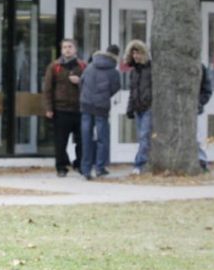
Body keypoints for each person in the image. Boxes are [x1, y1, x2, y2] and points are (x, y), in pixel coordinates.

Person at [42, 39, 86, 177]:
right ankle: (61, 167)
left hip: (79, 109)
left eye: (70, 47)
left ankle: (80, 164)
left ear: (75, 49)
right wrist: (48, 108)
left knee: (81, 140)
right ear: (61, 50)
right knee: (60, 141)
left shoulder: (83, 66)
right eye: (64, 47)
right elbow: (48, 89)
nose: (67, 49)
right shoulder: (55, 67)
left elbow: (90, 85)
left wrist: (80, 81)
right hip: (61, 109)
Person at [79, 44, 122, 180]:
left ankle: (86, 169)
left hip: (86, 105)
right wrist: (104, 96)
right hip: (101, 106)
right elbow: (116, 88)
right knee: (103, 138)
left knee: (86, 137)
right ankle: (100, 168)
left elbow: (81, 82)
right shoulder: (113, 71)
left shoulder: (90, 66)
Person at [124, 40, 152, 175]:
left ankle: (139, 164)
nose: (136, 56)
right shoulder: (134, 71)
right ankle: (143, 162)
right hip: (137, 108)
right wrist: (130, 108)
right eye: (133, 53)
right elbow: (132, 91)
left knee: (144, 136)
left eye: (138, 52)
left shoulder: (151, 69)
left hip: (148, 107)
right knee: (142, 137)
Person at [197, 63, 213, 172]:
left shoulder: (200, 67)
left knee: (197, 137)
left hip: (195, 109)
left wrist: (198, 103)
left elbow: (207, 90)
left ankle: (202, 160)